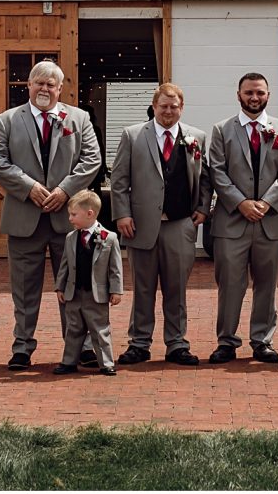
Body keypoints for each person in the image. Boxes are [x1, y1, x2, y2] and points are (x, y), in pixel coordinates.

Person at [0, 60, 102, 371]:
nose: (44, 88)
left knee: (75, 286)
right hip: (25, 216)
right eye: (39, 82)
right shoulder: (8, 120)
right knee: (24, 289)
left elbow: (92, 159)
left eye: (51, 84)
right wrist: (29, 187)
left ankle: (81, 347)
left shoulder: (78, 118)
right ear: (27, 85)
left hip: (69, 219)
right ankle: (22, 347)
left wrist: (65, 191)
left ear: (60, 88)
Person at [111, 83, 210, 367]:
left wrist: (203, 208)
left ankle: (177, 343)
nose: (168, 111)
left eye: (174, 107)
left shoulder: (196, 137)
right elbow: (120, 180)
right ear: (154, 107)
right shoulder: (133, 135)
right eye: (163, 106)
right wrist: (122, 215)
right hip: (140, 225)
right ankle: (139, 344)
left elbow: (205, 177)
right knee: (143, 288)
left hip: (180, 225)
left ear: (181, 108)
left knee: (176, 288)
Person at [206, 72, 278, 364]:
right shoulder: (222, 130)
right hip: (233, 220)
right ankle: (227, 341)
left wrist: (267, 203)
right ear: (238, 95)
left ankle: (262, 341)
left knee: (266, 285)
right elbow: (216, 170)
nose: (254, 98)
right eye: (249, 92)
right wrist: (242, 202)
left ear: (268, 95)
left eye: (259, 92)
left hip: (271, 221)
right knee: (230, 284)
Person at [53, 190, 124, 376]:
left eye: (74, 214)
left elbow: (115, 268)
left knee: (100, 330)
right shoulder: (70, 238)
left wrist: (116, 291)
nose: (70, 218)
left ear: (89, 213)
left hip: (96, 294)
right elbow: (65, 265)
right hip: (74, 293)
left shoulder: (109, 238)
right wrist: (60, 286)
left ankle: (106, 363)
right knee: (73, 329)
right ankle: (69, 362)